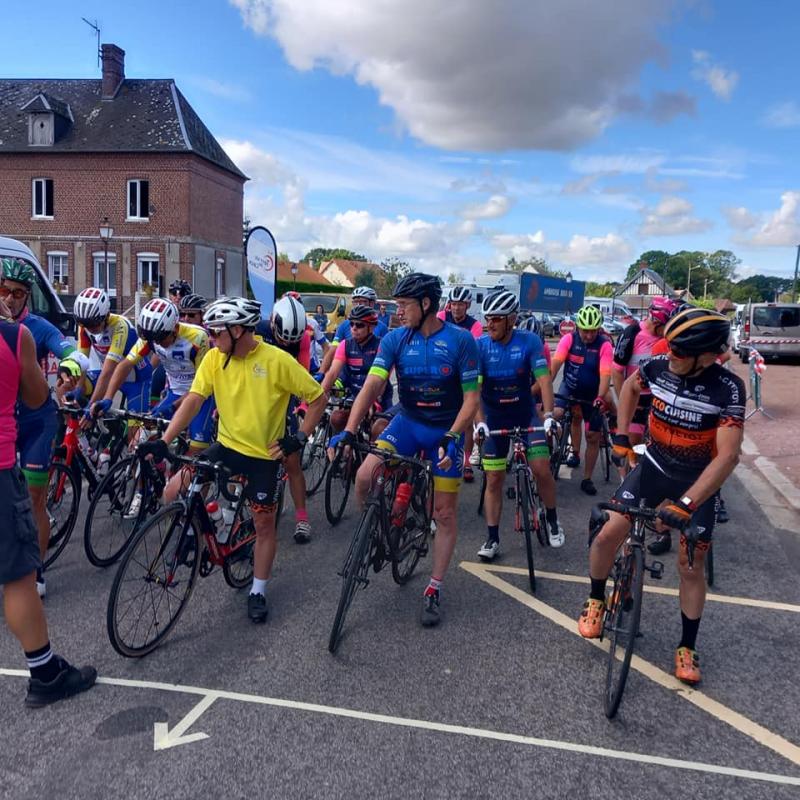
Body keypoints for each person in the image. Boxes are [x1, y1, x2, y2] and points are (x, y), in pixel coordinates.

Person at [578, 308, 744, 685]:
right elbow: (630, 387)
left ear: (707, 356)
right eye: (669, 347)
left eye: (679, 351)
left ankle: (687, 646)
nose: (670, 355)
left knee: (690, 565)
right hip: (653, 468)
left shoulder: (728, 388)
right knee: (605, 534)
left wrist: (687, 504)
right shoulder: (658, 367)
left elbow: (729, 457)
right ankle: (596, 598)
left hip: (697, 482)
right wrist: (622, 435)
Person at [139, 297, 327, 624]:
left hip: (263, 456)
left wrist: (299, 437)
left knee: (264, 525)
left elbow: (318, 398)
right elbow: (194, 400)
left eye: (217, 332)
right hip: (225, 447)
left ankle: (257, 590)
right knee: (173, 491)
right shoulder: (214, 358)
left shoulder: (277, 360)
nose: (211, 338)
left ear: (238, 330)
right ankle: (202, 534)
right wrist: (164, 441)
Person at [329, 273, 479, 627]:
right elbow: (373, 384)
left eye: (403, 305)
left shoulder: (460, 341)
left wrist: (453, 435)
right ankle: (374, 531)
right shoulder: (395, 339)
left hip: (445, 430)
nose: (397, 312)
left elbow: (472, 399)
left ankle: (434, 587)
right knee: (364, 476)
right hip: (407, 423)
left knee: (444, 514)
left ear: (426, 304)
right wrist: (349, 430)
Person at [0, 297, 96, 707]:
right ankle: (45, 674)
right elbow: (39, 397)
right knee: (19, 579)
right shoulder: (14, 335)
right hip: (2, 469)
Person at [1, 258, 76, 598]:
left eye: (18, 293)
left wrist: (70, 368)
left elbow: (69, 350)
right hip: (6, 421)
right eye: (4, 290)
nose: (10, 298)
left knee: (34, 498)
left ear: (28, 297)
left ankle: (36, 569)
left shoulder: (37, 328)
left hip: (36, 420)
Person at [473, 291, 564, 560]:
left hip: (525, 413)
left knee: (541, 468)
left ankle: (552, 519)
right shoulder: (480, 346)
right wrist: (480, 423)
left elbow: (544, 379)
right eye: (488, 318)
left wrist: (549, 415)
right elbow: (474, 392)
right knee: (494, 479)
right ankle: (492, 538)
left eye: (496, 319)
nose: (490, 324)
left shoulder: (529, 341)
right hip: (494, 416)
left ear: (511, 320)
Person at [92, 298, 213, 455]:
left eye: (161, 339)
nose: (157, 343)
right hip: (175, 392)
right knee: (138, 441)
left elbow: (201, 384)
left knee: (194, 454)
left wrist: (174, 407)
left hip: (201, 396)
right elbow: (125, 365)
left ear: (174, 329)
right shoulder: (151, 337)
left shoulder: (197, 338)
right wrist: (108, 398)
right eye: (153, 340)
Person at [255, 295, 317, 543]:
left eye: (290, 341)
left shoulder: (302, 339)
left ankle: (302, 518)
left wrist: (302, 406)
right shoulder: (258, 330)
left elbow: (302, 376)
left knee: (292, 462)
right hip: (257, 393)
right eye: (282, 339)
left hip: (284, 396)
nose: (285, 344)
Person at [550, 304, 614, 495]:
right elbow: (555, 366)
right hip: (569, 387)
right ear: (578, 327)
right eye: (585, 331)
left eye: (593, 331)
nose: (589, 335)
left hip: (592, 393)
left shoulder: (604, 345)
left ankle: (587, 478)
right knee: (555, 415)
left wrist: (600, 398)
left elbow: (605, 375)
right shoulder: (569, 339)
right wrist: (546, 389)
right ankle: (565, 451)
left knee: (592, 436)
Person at [612, 297, 678, 463]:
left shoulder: (667, 340)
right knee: (632, 442)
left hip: (659, 396)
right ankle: (626, 476)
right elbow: (617, 372)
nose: (669, 332)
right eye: (667, 327)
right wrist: (624, 403)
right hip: (635, 394)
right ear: (656, 322)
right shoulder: (631, 334)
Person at [75, 287, 153, 415]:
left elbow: (108, 372)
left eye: (94, 323)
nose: (90, 328)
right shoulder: (84, 326)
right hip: (109, 374)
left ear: (106, 316)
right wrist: (78, 389)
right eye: (85, 324)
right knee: (70, 383)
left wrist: (90, 408)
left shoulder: (120, 326)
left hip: (136, 380)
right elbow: (81, 362)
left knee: (135, 426)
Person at [321, 304, 393, 436]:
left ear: (371, 327)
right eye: (351, 324)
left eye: (359, 325)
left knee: (378, 428)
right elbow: (333, 373)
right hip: (354, 395)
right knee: (337, 418)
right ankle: (341, 446)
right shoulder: (345, 345)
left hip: (379, 396)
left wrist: (374, 400)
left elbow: (382, 380)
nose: (354, 328)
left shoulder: (382, 345)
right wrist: (320, 393)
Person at [437, 286, 484, 482]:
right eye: (454, 304)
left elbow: (472, 351)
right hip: (443, 369)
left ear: (468, 305)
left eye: (461, 305)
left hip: (464, 372)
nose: (456, 308)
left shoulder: (475, 325)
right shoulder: (441, 316)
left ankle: (466, 462)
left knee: (467, 420)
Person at [320, 286, 388, 372]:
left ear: (372, 304)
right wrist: (321, 372)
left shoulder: (382, 328)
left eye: (363, 302)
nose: (358, 305)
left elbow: (387, 357)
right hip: (347, 374)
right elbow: (332, 351)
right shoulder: (344, 325)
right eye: (355, 302)